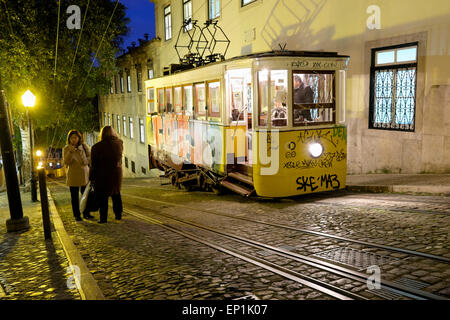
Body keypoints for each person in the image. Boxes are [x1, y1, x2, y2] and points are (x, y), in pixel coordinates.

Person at [89, 126, 123, 223]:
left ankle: (103, 218)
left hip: (102, 175)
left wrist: (91, 177)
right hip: (116, 174)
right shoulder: (119, 143)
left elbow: (94, 164)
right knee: (116, 194)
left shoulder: (96, 147)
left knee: (103, 197)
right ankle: (118, 215)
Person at [63, 130, 93, 221]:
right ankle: (76, 215)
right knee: (74, 196)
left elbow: (89, 158)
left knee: (85, 195)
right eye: (72, 138)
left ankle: (86, 212)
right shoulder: (66, 148)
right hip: (73, 174)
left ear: (79, 138)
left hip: (84, 174)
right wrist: (70, 152)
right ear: (69, 139)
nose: (74, 140)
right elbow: (66, 162)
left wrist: (84, 158)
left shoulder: (84, 147)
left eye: (75, 138)